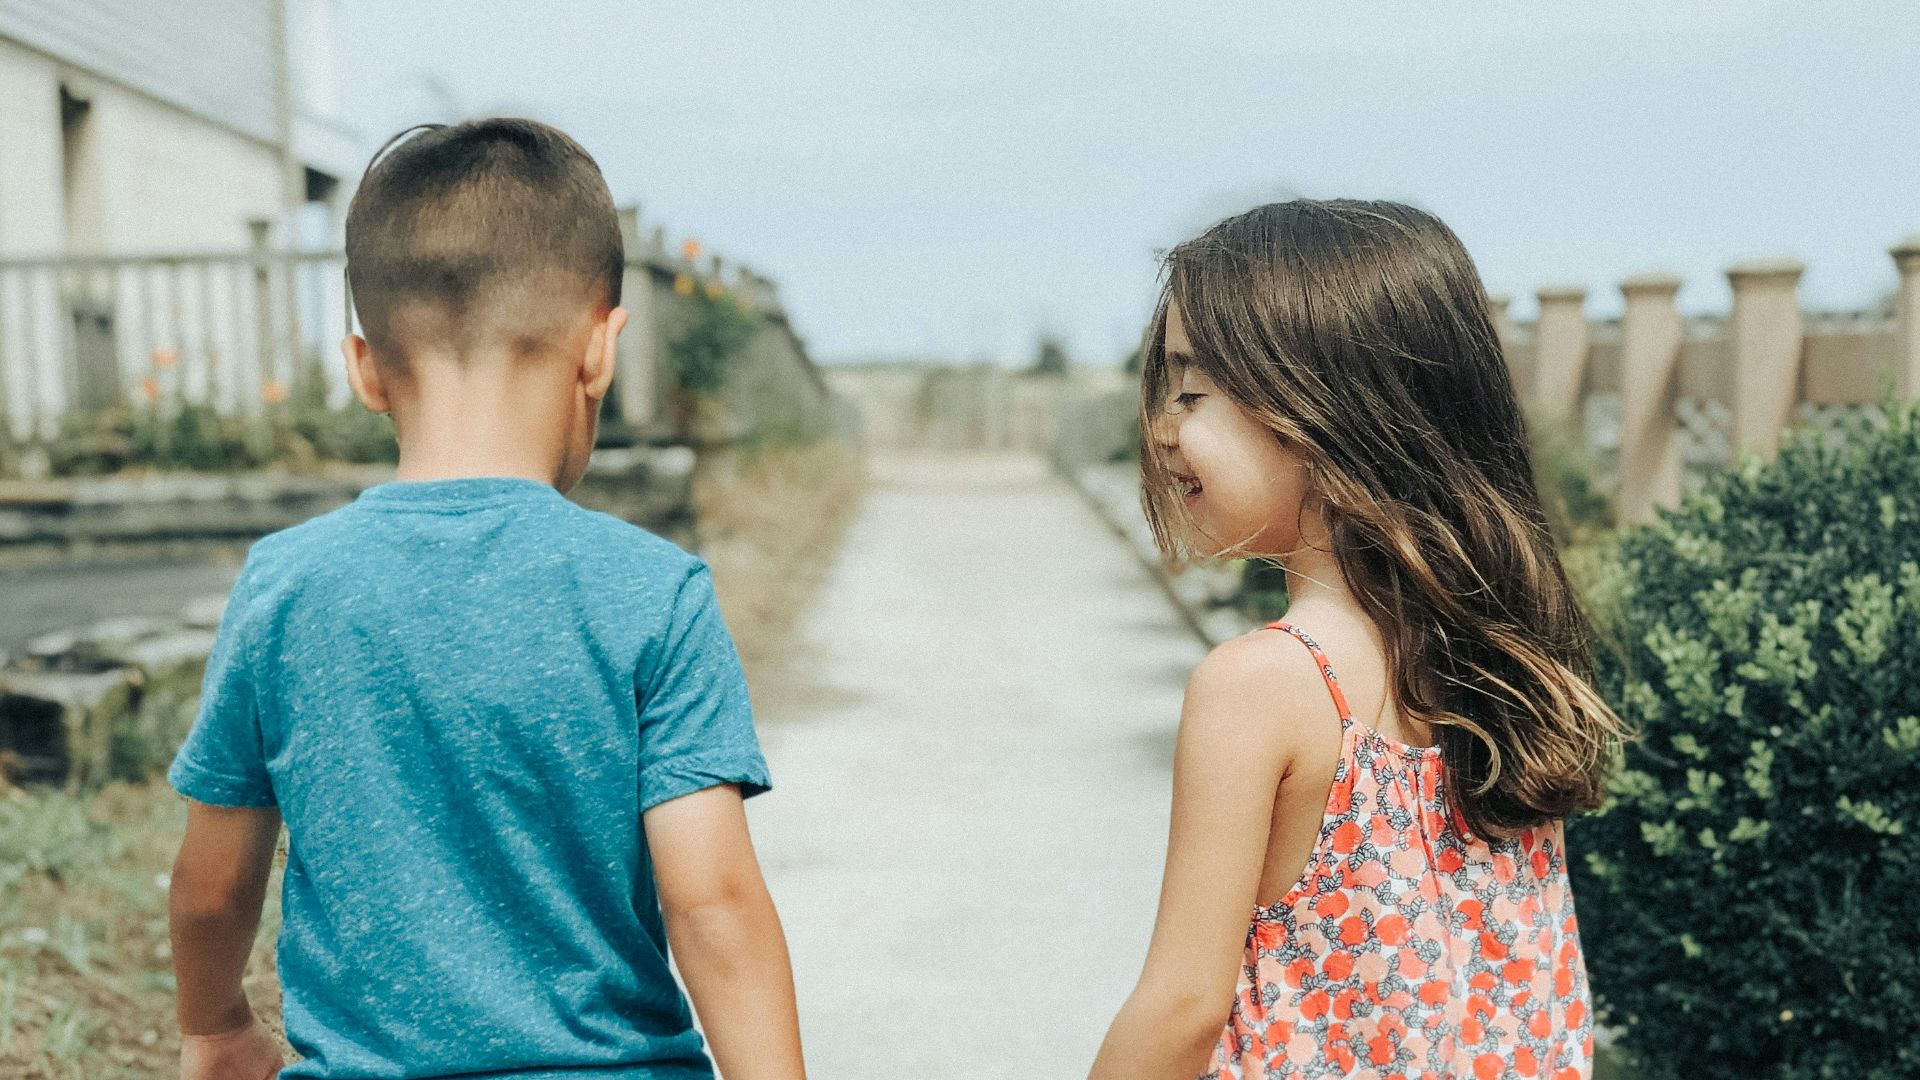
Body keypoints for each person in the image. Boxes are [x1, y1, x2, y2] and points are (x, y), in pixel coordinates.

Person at [166, 118, 805, 1080]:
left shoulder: (287, 586)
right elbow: (711, 901)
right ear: (601, 351)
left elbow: (214, 891)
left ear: (364, 369)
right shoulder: (652, 594)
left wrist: (215, 1028)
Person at [1088, 199, 1626, 1080]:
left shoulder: (1260, 686)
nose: (1162, 427)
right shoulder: (1500, 659)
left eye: (1191, 391)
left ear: (1324, 409)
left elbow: (1184, 1009)